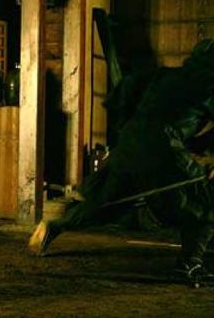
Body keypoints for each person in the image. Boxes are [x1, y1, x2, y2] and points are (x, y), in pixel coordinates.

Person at [28, 39, 214, 286]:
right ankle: (190, 265)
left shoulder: (165, 76)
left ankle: (55, 226)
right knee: (205, 206)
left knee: (107, 201)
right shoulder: (209, 84)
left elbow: (128, 94)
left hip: (129, 143)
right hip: (162, 149)